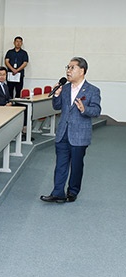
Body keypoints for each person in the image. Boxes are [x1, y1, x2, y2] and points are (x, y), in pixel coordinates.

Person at [40, 57, 101, 203]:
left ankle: (72, 191)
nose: (68, 70)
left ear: (82, 71)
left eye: (72, 67)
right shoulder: (65, 88)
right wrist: (56, 95)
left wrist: (84, 109)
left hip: (80, 135)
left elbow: (97, 111)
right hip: (63, 133)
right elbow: (57, 106)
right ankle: (57, 192)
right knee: (60, 164)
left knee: (76, 165)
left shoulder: (93, 90)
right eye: (67, 67)